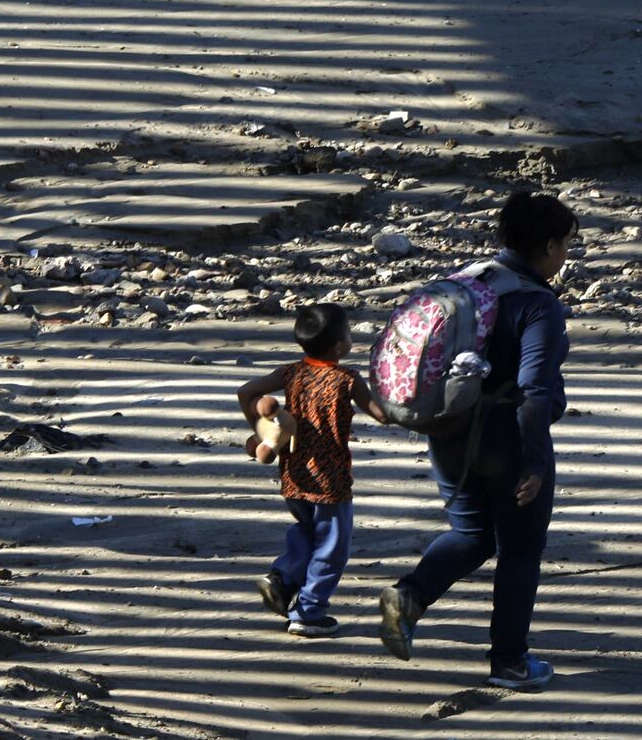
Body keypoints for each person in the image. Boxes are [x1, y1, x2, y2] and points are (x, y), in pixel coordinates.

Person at [376, 190, 577, 692]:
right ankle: (509, 661)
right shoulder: (538, 304)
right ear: (550, 245)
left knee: (471, 533)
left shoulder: (468, 281)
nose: (567, 254)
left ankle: (410, 596)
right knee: (521, 550)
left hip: (449, 430)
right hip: (509, 438)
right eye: (568, 244)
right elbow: (534, 388)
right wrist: (534, 461)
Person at [237, 304, 385, 638]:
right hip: (330, 480)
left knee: (307, 531)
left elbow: (246, 392)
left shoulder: (290, 372)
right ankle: (309, 612)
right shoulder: (347, 379)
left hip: (293, 477)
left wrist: (260, 432)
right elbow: (382, 414)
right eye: (348, 334)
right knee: (332, 547)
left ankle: (282, 578)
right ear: (338, 347)